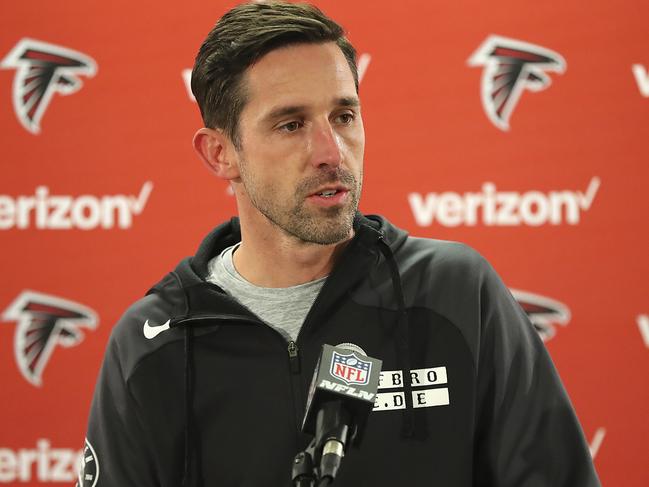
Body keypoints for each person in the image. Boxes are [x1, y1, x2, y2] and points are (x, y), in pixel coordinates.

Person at [79, 2, 601, 486]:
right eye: (291, 124)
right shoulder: (154, 343)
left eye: (344, 116)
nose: (331, 152)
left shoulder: (456, 291)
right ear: (220, 154)